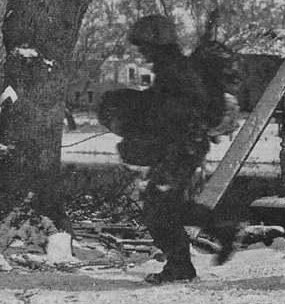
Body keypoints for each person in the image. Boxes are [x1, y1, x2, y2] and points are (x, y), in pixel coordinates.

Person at [99, 15, 237, 284]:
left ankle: (186, 262)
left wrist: (137, 110)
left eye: (143, 45)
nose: (142, 51)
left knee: (159, 209)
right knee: (163, 206)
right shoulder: (170, 66)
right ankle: (213, 237)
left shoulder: (174, 68)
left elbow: (179, 108)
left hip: (181, 145)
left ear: (156, 41)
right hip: (181, 145)